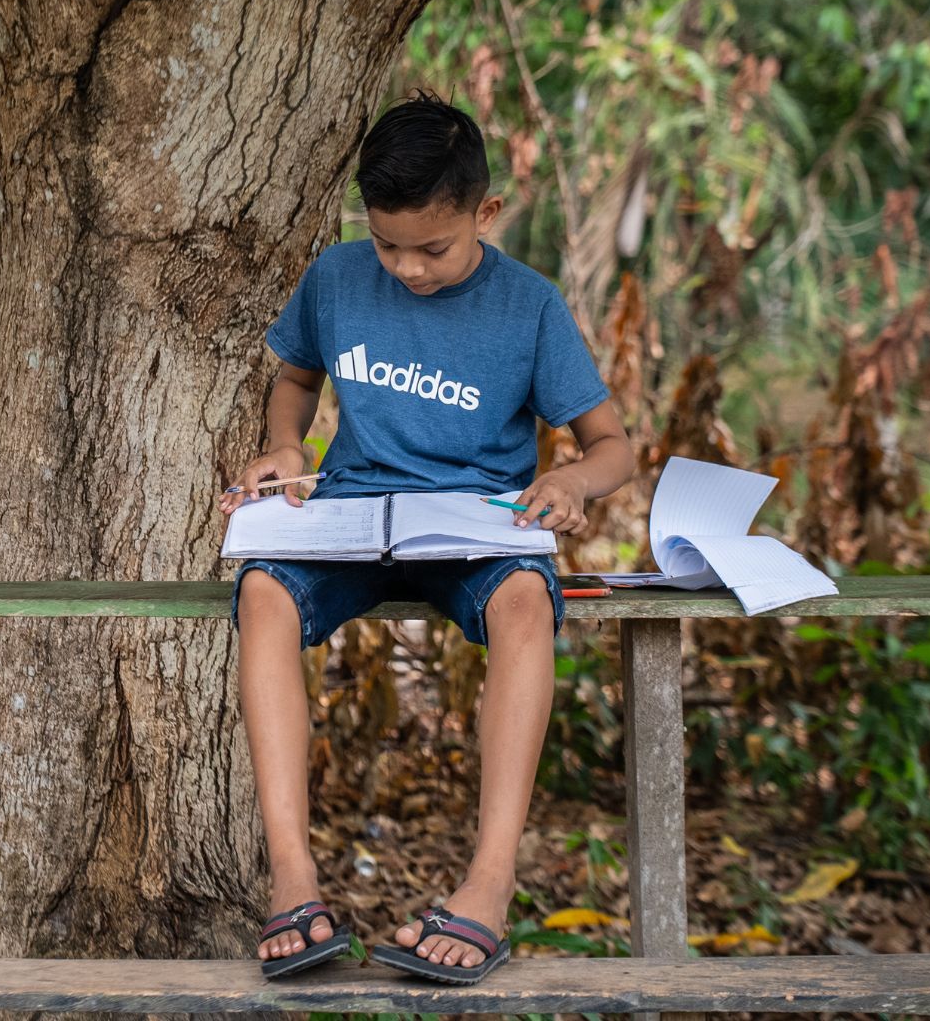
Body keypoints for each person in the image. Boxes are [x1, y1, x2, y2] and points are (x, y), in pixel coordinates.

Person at [219, 90, 633, 985]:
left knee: (527, 601)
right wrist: (285, 444)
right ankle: (292, 877)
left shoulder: (528, 307)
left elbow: (615, 449)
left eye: (433, 248)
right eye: (388, 244)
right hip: (353, 515)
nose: (405, 268)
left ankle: (489, 884)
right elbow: (293, 379)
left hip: (478, 527)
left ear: (486, 213)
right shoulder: (334, 277)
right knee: (260, 589)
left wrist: (566, 480)